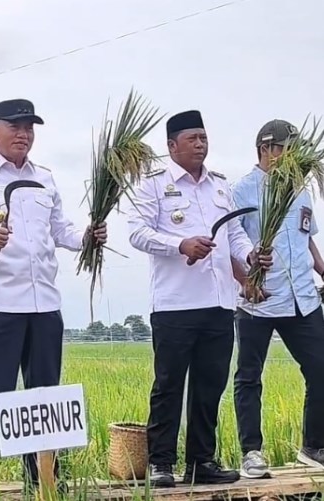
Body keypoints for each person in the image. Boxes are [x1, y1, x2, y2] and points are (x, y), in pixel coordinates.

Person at [0, 98, 106, 498]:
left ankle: (42, 471)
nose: (23, 134)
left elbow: (60, 229)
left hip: (45, 302)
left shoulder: (45, 178)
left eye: (29, 127)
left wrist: (86, 236)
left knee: (45, 391)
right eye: (14, 126)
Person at [127, 110, 271, 487]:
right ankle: (161, 463)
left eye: (203, 137)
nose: (200, 144)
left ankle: (200, 462)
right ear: (172, 145)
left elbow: (235, 235)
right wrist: (180, 244)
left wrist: (250, 256)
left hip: (219, 302)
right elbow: (137, 233)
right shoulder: (153, 185)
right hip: (176, 304)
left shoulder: (219, 186)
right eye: (191, 138)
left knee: (210, 385)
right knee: (169, 385)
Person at [229, 119, 324, 477]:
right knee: (249, 376)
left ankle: (314, 446)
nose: (293, 155)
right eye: (286, 148)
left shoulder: (300, 187)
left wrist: (321, 267)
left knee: (320, 369)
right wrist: (244, 280)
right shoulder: (243, 190)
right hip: (260, 298)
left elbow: (306, 235)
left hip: (303, 297)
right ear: (266, 149)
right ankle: (251, 451)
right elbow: (230, 242)